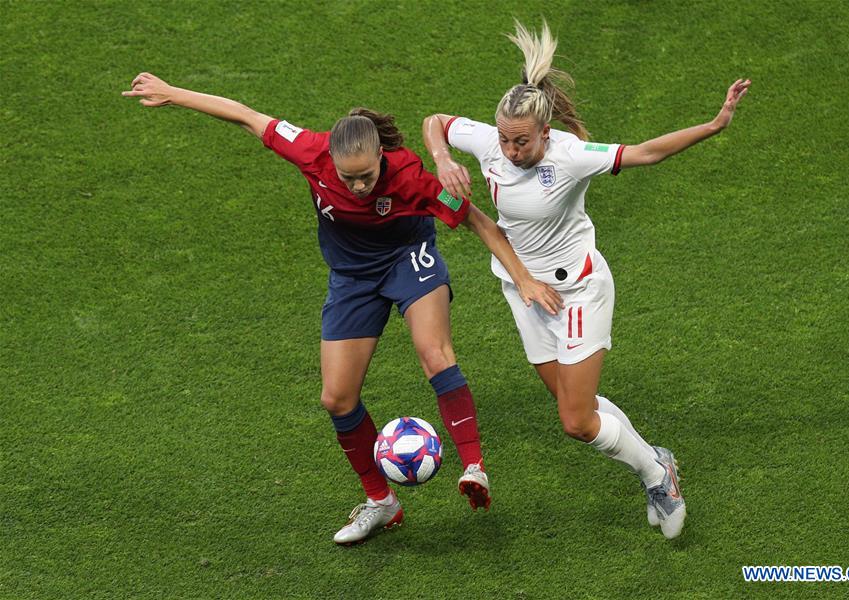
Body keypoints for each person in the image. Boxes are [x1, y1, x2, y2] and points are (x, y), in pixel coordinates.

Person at [122, 72, 562, 545]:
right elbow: (246, 117)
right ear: (329, 158)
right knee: (336, 398)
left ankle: (474, 466)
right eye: (348, 177)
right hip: (352, 276)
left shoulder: (410, 175)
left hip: (407, 259)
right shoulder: (310, 151)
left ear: (381, 158)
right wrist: (173, 94)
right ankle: (381, 501)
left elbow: (477, 222)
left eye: (368, 176)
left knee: (434, 353)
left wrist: (523, 278)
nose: (357, 186)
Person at [423, 20, 750, 539]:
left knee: (575, 421)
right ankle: (655, 458)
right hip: (524, 290)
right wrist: (442, 158)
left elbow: (645, 152)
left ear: (545, 134)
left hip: (577, 290)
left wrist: (714, 125)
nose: (509, 151)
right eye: (505, 140)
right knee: (576, 404)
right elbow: (436, 120)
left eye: (521, 142)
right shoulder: (489, 142)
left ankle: (656, 474)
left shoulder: (570, 157)